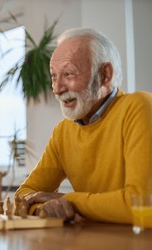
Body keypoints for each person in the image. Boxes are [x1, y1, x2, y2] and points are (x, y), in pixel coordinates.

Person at [14, 27, 152, 224]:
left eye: (69, 73)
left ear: (105, 75)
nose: (57, 89)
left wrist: (68, 200)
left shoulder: (140, 107)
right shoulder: (63, 131)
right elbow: (25, 193)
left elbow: (143, 205)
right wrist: (42, 206)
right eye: (54, 76)